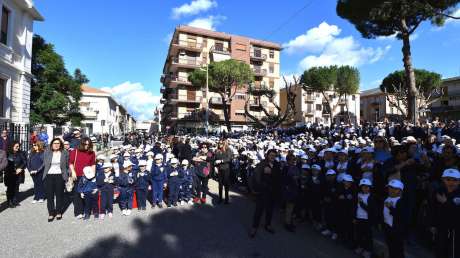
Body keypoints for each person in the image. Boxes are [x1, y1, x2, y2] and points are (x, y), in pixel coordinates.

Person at [250, 149, 281, 238]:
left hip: (272, 192)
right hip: (263, 192)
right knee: (259, 210)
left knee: (270, 210)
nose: (272, 157)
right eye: (271, 155)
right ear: (267, 155)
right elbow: (256, 177)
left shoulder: (277, 165)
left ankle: (268, 225)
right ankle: (254, 227)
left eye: (274, 156)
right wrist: (259, 187)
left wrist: (272, 172)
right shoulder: (262, 164)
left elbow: (279, 177)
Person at [431, 168, 460, 258]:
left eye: (455, 180)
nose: (451, 183)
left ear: (459, 181)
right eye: (448, 179)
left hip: (456, 230)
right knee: (439, 250)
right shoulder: (438, 191)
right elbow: (432, 208)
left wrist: (446, 203)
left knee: (453, 252)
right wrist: (432, 224)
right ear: (443, 180)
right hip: (441, 227)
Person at [43, 138, 69, 221]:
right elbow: (44, 163)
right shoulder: (47, 152)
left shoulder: (65, 153)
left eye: (58, 143)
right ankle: (51, 213)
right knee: (50, 196)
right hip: (49, 175)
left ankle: (58, 212)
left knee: (59, 195)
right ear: (51, 144)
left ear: (61, 144)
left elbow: (67, 165)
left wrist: (69, 174)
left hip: (60, 175)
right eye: (54, 143)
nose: (56, 145)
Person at [69, 137, 96, 219]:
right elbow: (70, 163)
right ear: (81, 143)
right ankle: (78, 212)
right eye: (85, 144)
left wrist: (93, 174)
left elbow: (93, 164)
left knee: (87, 193)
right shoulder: (75, 151)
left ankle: (86, 210)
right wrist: (73, 172)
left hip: (88, 176)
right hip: (77, 175)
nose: (87, 146)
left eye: (88, 144)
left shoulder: (92, 153)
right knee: (77, 194)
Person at [383, 179, 406, 258]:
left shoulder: (401, 201)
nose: (391, 190)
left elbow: (401, 216)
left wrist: (391, 208)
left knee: (398, 250)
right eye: (389, 188)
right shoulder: (387, 199)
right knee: (391, 248)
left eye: (394, 188)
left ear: (400, 191)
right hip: (387, 227)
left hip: (396, 230)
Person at [4, 141, 27, 208]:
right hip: (10, 173)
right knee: (10, 188)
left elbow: (24, 161)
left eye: (18, 146)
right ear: (12, 146)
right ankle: (9, 201)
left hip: (18, 173)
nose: (18, 147)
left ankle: (15, 200)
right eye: (16, 146)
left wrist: (20, 168)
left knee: (16, 187)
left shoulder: (21, 153)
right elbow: (5, 163)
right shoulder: (7, 153)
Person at [282, 153, 301, 232]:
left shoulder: (295, 168)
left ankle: (290, 221)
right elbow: (284, 179)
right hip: (289, 189)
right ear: (288, 160)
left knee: (292, 207)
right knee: (289, 207)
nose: (294, 161)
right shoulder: (286, 168)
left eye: (294, 159)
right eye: (292, 160)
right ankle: (287, 223)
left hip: (295, 189)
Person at [214, 140, 233, 204]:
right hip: (219, 169)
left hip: (226, 169)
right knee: (220, 185)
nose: (219, 144)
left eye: (221, 143)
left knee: (226, 184)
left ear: (224, 143)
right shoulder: (217, 150)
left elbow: (229, 159)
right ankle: (220, 198)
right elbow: (215, 159)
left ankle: (226, 199)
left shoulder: (228, 149)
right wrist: (215, 167)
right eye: (219, 143)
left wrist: (221, 161)